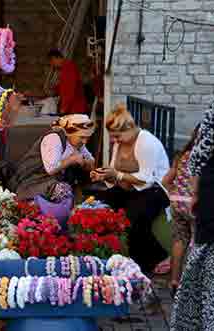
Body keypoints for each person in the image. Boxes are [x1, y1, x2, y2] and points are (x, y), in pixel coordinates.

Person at [90, 104, 170, 273]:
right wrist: (104, 176)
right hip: (129, 188)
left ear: (130, 129)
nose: (114, 141)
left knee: (134, 217)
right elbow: (114, 171)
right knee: (98, 206)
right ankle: (105, 253)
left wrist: (116, 175)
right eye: (112, 137)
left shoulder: (146, 142)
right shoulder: (120, 143)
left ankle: (154, 259)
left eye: (117, 136)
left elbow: (146, 180)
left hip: (155, 189)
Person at [171, 105, 214, 331]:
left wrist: (193, 192)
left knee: (188, 244)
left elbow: (203, 149)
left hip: (195, 201)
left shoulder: (184, 156)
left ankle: (175, 279)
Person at [9, 114, 95, 202]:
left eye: (87, 138)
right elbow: (51, 169)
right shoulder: (54, 138)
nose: (85, 141)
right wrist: (72, 159)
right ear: (70, 133)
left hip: (55, 182)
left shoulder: (78, 144)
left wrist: (85, 163)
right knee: (63, 191)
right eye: (82, 137)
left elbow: (91, 163)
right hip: (34, 181)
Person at [162, 125, 199, 295]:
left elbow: (166, 180)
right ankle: (193, 285)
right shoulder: (203, 156)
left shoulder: (181, 155)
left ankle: (174, 281)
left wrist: (174, 193)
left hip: (177, 202)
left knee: (179, 240)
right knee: (198, 242)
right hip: (194, 203)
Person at [48, 49, 88, 115]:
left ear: (56, 58)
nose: (52, 64)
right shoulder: (65, 68)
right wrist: (55, 89)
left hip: (75, 108)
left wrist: (64, 108)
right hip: (72, 108)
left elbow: (70, 89)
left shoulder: (68, 67)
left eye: (52, 61)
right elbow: (64, 86)